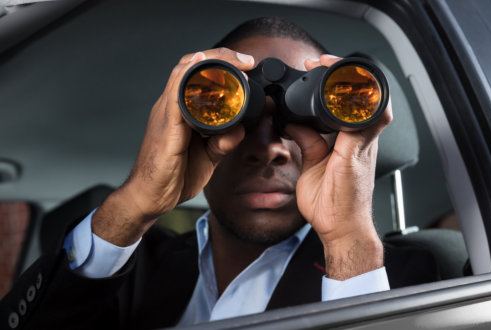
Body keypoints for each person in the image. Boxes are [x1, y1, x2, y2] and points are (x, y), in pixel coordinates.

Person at [1, 17, 436, 330]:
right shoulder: (137, 270)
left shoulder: (404, 278)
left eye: (298, 121)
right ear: (190, 131)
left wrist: (347, 241)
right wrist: (135, 201)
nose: (268, 150)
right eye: (233, 116)